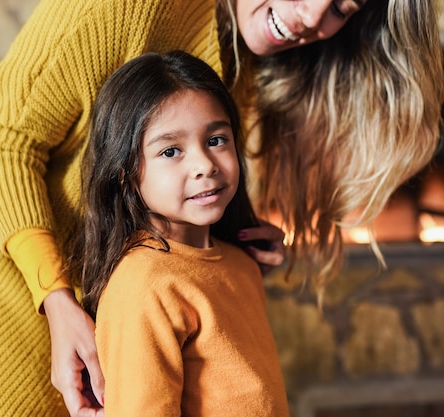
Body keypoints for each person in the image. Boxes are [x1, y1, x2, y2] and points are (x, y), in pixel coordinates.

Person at [0, 0, 444, 416]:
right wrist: (57, 300)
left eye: (341, 9)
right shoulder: (128, 9)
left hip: (95, 276)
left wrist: (240, 231)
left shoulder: (250, 50)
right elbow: (4, 142)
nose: (309, 16)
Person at [73, 49, 290, 416]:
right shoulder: (145, 284)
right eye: (171, 150)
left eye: (217, 140)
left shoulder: (240, 262)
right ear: (125, 172)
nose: (204, 164)